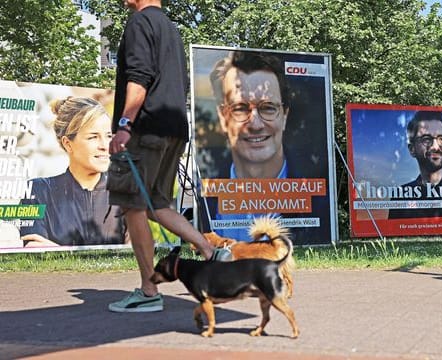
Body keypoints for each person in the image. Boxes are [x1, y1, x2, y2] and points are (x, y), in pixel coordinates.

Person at [107, 0, 230, 313]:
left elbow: (139, 78)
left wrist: (124, 124)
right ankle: (210, 251)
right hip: (174, 129)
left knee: (133, 206)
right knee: (156, 204)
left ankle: (149, 290)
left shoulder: (139, 23)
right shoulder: (171, 28)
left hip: (145, 130)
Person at [200, 50, 330, 243]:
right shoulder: (203, 200)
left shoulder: (321, 202)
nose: (256, 124)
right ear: (222, 117)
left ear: (284, 116)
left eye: (268, 107)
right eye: (240, 108)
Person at [20, 97, 127, 247]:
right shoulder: (37, 192)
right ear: (68, 144)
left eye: (108, 136)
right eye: (93, 137)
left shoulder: (124, 192)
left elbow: (136, 253)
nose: (105, 146)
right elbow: (34, 250)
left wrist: (57, 251)